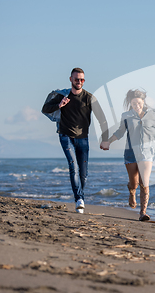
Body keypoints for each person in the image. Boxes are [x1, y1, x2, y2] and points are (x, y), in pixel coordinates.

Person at [100, 89, 155, 221]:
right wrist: (108, 142)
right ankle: (131, 192)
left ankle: (142, 213)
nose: (137, 106)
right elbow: (120, 132)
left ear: (143, 102)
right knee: (134, 183)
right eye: (134, 103)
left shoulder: (151, 115)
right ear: (130, 103)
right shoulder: (126, 116)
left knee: (144, 182)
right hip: (130, 153)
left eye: (139, 103)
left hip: (147, 153)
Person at [42, 68, 109, 214]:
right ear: (71, 79)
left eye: (82, 80)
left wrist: (105, 140)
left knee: (83, 174)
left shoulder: (90, 98)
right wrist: (59, 105)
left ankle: (80, 197)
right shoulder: (63, 95)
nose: (79, 82)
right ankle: (79, 199)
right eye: (77, 79)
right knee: (74, 167)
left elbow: (102, 120)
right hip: (65, 136)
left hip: (83, 138)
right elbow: (45, 108)